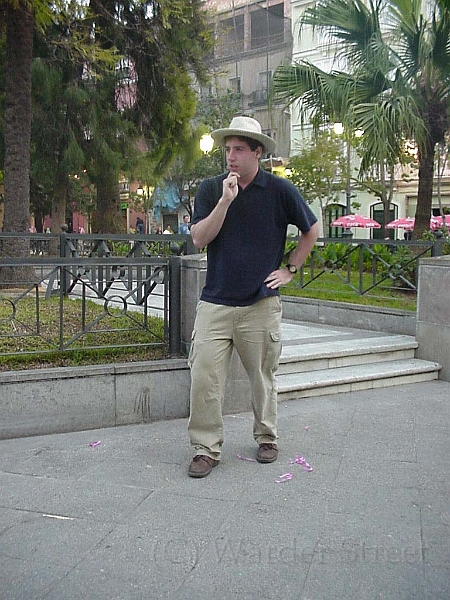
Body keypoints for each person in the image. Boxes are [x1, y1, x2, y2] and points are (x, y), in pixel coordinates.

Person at [187, 116, 319, 478]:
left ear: (257, 152)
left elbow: (311, 230)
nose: (230, 157)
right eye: (227, 149)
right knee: (204, 377)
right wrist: (226, 202)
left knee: (262, 376)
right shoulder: (211, 189)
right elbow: (199, 239)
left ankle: (267, 437)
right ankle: (205, 448)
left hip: (260, 302)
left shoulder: (279, 190)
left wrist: (290, 269)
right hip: (215, 301)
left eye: (239, 150)